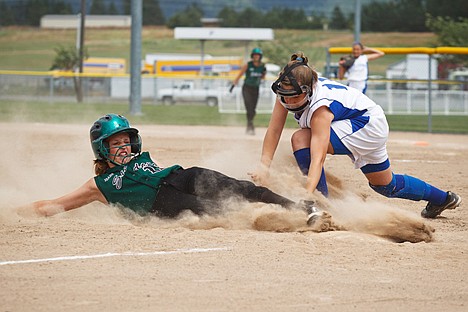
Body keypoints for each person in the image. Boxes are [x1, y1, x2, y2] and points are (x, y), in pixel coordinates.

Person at [250, 52, 461, 219]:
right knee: (386, 186)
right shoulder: (290, 90)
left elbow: (318, 157)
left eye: (291, 96)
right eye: (283, 95)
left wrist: (308, 195)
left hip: (367, 125)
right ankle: (443, 199)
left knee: (300, 138)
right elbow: (274, 130)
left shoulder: (320, 109)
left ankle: (322, 205)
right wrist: (264, 167)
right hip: (363, 122)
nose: (286, 102)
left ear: (307, 90)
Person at [26, 113, 320, 222]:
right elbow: (55, 205)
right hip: (163, 202)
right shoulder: (98, 186)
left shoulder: (140, 159)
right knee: (220, 210)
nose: (124, 147)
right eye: (115, 143)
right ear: (102, 149)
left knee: (246, 189)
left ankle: (302, 209)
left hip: (182, 175)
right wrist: (15, 210)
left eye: (126, 140)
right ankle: (289, 224)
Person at [232, 47, 267, 135]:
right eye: (254, 55)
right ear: (252, 56)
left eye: (258, 55)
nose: (256, 57)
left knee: (253, 110)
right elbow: (240, 74)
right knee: (249, 108)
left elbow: (263, 77)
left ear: (260, 56)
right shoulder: (248, 65)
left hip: (256, 89)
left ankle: (249, 125)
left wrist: (264, 74)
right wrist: (234, 83)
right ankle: (250, 126)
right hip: (247, 88)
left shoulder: (262, 66)